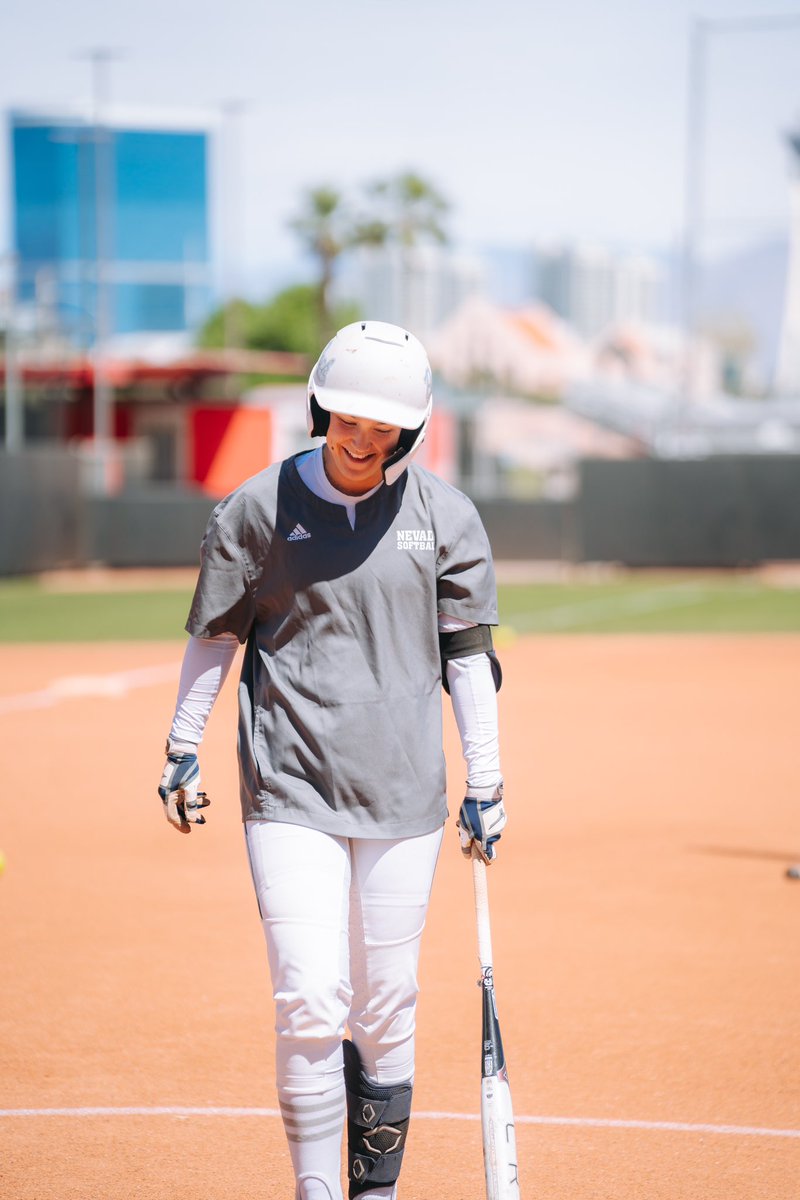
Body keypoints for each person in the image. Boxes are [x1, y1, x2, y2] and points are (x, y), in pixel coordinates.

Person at [157, 320, 506, 1200]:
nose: (361, 438)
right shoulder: (256, 509)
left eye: (382, 425)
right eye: (347, 417)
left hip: (404, 793)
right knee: (311, 1000)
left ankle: (373, 1193)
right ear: (321, 408)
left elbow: (467, 657)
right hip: (290, 782)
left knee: (386, 1004)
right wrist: (181, 745)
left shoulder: (446, 518)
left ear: (410, 430)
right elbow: (216, 641)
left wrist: (488, 779)